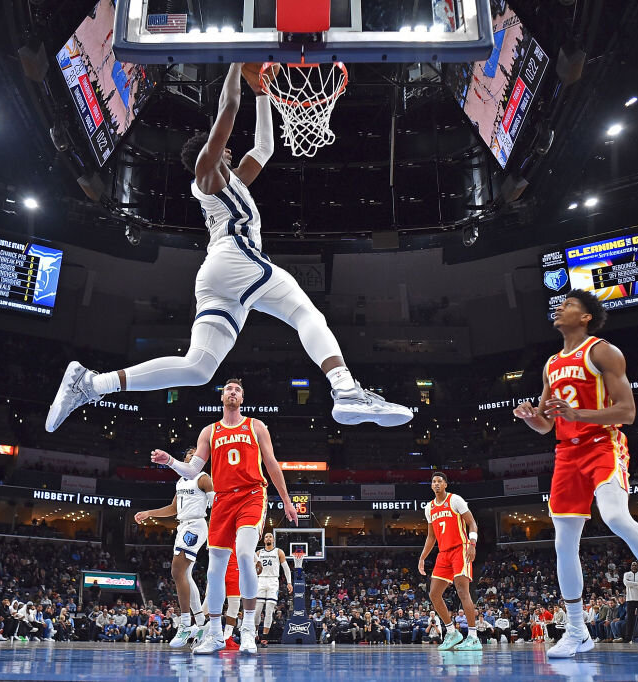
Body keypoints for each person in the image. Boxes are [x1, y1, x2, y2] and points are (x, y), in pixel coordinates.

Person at [45, 64, 412, 435]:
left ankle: (90, 384)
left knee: (198, 368)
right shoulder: (206, 173)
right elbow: (227, 109)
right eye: (222, 148)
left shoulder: (232, 182)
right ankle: (346, 389)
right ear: (211, 152)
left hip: (219, 274)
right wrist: (237, 64)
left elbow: (265, 147)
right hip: (236, 258)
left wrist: (264, 94)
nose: (229, 149)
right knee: (304, 312)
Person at [513, 290, 638, 658]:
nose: (560, 308)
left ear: (586, 317)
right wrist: (531, 417)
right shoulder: (551, 364)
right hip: (566, 454)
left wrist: (579, 416)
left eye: (569, 305)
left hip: (602, 444)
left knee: (617, 516)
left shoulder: (602, 351)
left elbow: (627, 412)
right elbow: (545, 425)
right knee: (563, 542)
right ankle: (576, 630)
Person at [150, 377, 299, 654]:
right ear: (222, 397)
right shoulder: (209, 431)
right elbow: (193, 470)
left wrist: (287, 501)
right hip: (222, 499)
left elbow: (272, 464)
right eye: (228, 389)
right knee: (214, 568)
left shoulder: (256, 426)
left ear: (242, 399)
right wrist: (170, 461)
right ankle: (216, 634)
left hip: (252, 494)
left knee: (244, 553)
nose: (232, 392)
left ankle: (248, 631)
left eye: (237, 390)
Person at [133, 446, 213, 648]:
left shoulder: (204, 478)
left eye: (197, 454)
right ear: (184, 459)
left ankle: (185, 624)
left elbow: (217, 506)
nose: (192, 455)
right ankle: (201, 624)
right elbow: (173, 508)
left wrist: (214, 533)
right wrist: (149, 513)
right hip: (183, 526)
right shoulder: (181, 481)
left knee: (176, 570)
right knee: (185, 575)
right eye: (189, 454)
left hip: (196, 525)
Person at [418, 471, 481, 652]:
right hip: (443, 553)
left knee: (462, 591)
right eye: (434, 482)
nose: (436, 484)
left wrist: (472, 543)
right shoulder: (429, 508)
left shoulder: (455, 500)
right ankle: (452, 632)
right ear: (431, 486)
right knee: (434, 594)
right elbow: (431, 537)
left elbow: (472, 523)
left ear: (445, 484)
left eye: (440, 481)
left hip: (460, 549)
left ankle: (473, 637)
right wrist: (422, 557)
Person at [254, 531, 292, 647]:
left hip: (273, 581)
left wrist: (289, 582)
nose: (268, 538)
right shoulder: (258, 553)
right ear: (264, 540)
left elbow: (286, 568)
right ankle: (255, 633)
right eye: (266, 537)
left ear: (273, 540)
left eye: (270, 536)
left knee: (269, 610)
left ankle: (264, 638)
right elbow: (251, 568)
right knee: (257, 611)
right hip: (260, 580)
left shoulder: (278, 552)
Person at [619, 561, 638, 643]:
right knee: (629, 619)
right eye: (633, 565)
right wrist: (637, 583)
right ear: (631, 566)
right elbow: (626, 583)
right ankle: (628, 637)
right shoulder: (626, 574)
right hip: (630, 600)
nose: (634, 566)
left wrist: (632, 584)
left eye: (635, 565)